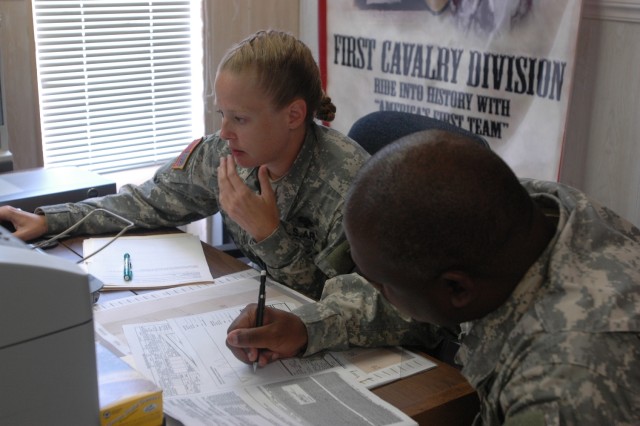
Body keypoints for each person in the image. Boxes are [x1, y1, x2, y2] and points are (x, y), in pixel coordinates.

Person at [226, 129, 640, 424]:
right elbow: (416, 289)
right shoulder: (515, 214)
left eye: (382, 286)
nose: (373, 291)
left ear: (457, 289)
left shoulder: (568, 383)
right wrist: (307, 326)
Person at [0, 30, 370, 300]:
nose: (223, 132)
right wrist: (51, 220)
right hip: (260, 308)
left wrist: (269, 234)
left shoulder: (353, 186)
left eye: (239, 119)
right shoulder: (224, 154)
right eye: (221, 114)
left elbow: (337, 301)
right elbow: (148, 201)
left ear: (293, 115)